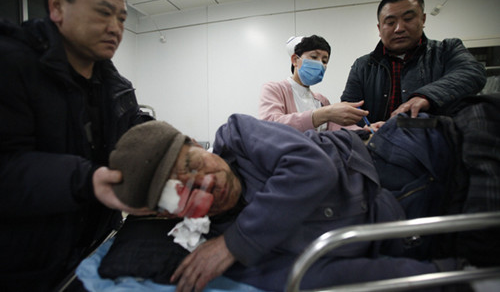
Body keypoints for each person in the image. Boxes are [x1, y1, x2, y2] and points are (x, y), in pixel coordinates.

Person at [109, 116, 465, 292]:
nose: (207, 184)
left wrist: (237, 242)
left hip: (402, 156)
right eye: (180, 194)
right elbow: (322, 278)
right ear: (169, 214)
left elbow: (312, 167)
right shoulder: (228, 257)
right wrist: (445, 274)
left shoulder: (238, 137)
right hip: (411, 224)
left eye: (192, 164)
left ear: (194, 143)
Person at [0, 0, 155, 290]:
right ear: (57, 6)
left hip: (96, 249)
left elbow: (131, 133)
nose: (116, 27)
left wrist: (171, 146)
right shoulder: (12, 66)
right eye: (103, 12)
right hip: (28, 264)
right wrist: (85, 180)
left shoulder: (115, 83)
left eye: (122, 18)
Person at [341, 0, 486, 123]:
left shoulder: (446, 50)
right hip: (379, 144)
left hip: (439, 144)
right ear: (379, 28)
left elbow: (472, 72)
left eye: (408, 19)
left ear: (423, 20)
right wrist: (365, 129)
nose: (399, 28)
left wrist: (426, 96)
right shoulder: (363, 66)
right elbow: (349, 109)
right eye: (390, 22)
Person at [259, 35, 380, 132]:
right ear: (295, 60)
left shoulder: (321, 100)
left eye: (324, 60)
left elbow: (337, 127)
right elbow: (269, 126)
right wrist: (322, 114)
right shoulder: (275, 89)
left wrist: (365, 130)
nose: (320, 64)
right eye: (314, 57)